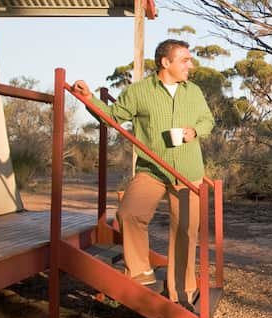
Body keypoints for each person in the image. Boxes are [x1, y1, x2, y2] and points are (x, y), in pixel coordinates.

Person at [72, 39, 214, 303]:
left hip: (188, 171)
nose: (190, 65)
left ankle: (181, 290)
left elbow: (208, 120)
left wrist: (195, 131)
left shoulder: (193, 91)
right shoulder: (139, 92)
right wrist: (88, 99)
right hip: (152, 169)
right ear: (165, 62)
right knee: (129, 214)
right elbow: (112, 117)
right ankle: (140, 272)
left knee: (185, 229)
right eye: (184, 60)